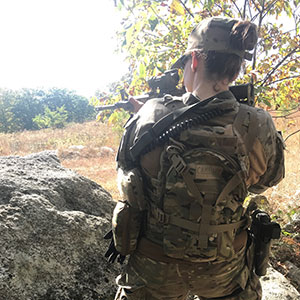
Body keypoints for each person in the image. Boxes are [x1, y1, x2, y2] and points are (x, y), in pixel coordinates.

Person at [108, 17, 285, 300]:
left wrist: (149, 115)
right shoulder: (259, 123)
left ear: (194, 61)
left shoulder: (152, 114)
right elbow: (263, 183)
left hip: (156, 267)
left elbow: (127, 174)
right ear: (235, 68)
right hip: (224, 269)